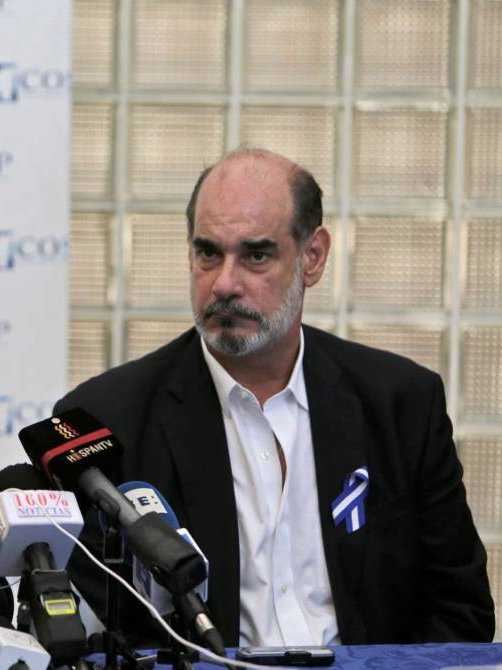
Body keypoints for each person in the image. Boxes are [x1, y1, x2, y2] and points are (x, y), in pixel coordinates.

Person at [55, 149, 495, 646]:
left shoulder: (401, 404)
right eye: (208, 253)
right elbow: (94, 634)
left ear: (312, 257)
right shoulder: (105, 420)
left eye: (256, 255)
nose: (224, 283)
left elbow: (461, 616)